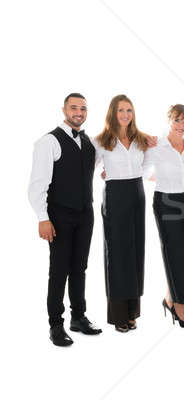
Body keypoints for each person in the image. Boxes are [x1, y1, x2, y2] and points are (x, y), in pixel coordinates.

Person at [28, 93, 102, 346]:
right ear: (64, 110)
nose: (79, 112)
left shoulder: (89, 142)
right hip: (59, 214)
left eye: (83, 108)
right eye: (74, 108)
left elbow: (100, 161)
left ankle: (78, 317)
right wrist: (42, 218)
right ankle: (56, 325)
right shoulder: (49, 141)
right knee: (58, 270)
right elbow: (38, 184)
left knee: (79, 268)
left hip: (86, 213)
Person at [94, 94, 151, 333]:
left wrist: (135, 171)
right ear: (112, 113)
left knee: (136, 251)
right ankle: (118, 315)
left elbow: (147, 165)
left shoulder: (141, 139)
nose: (125, 114)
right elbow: (88, 167)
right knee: (117, 253)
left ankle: (132, 312)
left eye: (129, 110)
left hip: (137, 192)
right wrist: (107, 174)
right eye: (121, 110)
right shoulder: (100, 141)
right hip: (115, 195)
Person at [144, 104, 184, 328]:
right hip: (166, 201)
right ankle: (179, 306)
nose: (181, 126)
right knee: (173, 251)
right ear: (168, 120)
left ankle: (169, 297)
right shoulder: (156, 144)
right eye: (177, 120)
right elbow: (143, 171)